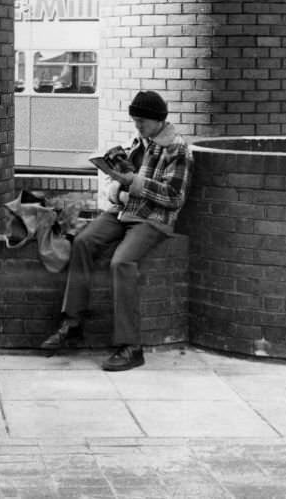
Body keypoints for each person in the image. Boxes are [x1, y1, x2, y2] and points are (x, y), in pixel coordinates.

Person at [40, 90, 193, 371]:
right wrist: (117, 186)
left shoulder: (177, 149)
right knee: (84, 241)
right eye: (135, 120)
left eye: (142, 121)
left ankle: (131, 346)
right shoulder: (138, 141)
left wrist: (133, 182)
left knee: (122, 262)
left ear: (158, 120)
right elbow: (121, 184)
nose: (138, 126)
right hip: (124, 211)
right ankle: (72, 322)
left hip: (153, 219)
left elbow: (175, 197)